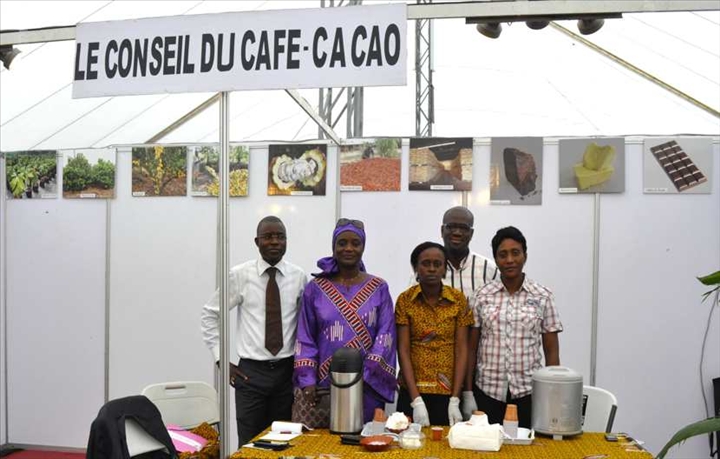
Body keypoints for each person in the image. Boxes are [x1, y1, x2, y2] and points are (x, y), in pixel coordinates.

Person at [200, 216, 308, 446]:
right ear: (257, 241)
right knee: (249, 444)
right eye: (268, 237)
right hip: (251, 375)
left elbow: (306, 324)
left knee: (282, 444)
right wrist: (221, 359)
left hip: (286, 374)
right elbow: (210, 314)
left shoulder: (299, 277)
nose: (275, 242)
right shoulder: (240, 275)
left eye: (280, 237)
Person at [294, 218, 397, 424]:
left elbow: (386, 335)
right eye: (342, 243)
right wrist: (307, 380)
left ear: (363, 247)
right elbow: (304, 337)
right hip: (323, 388)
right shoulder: (315, 288)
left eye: (355, 243)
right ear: (334, 247)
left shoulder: (378, 287)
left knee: (363, 449)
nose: (348, 248)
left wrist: (366, 376)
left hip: (366, 386)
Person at [464, 226, 563, 427]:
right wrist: (467, 392)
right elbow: (471, 349)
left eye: (515, 253)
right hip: (487, 392)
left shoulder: (542, 295)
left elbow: (551, 351)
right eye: (503, 255)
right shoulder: (481, 296)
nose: (510, 260)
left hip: (529, 393)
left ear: (525, 256)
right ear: (496, 259)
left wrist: (552, 393)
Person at [396, 241, 472, 426]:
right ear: (416, 268)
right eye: (425, 263)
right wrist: (416, 401)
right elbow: (403, 350)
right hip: (413, 392)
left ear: (444, 269)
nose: (431, 269)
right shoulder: (405, 300)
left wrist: (456, 398)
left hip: (448, 394)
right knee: (407, 447)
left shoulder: (458, 300)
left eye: (437, 264)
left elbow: (462, 349)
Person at [441, 206, 498, 300]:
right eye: (451, 226)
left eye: (463, 228)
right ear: (442, 231)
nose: (457, 233)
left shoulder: (489, 269)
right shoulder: (426, 270)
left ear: (471, 234)